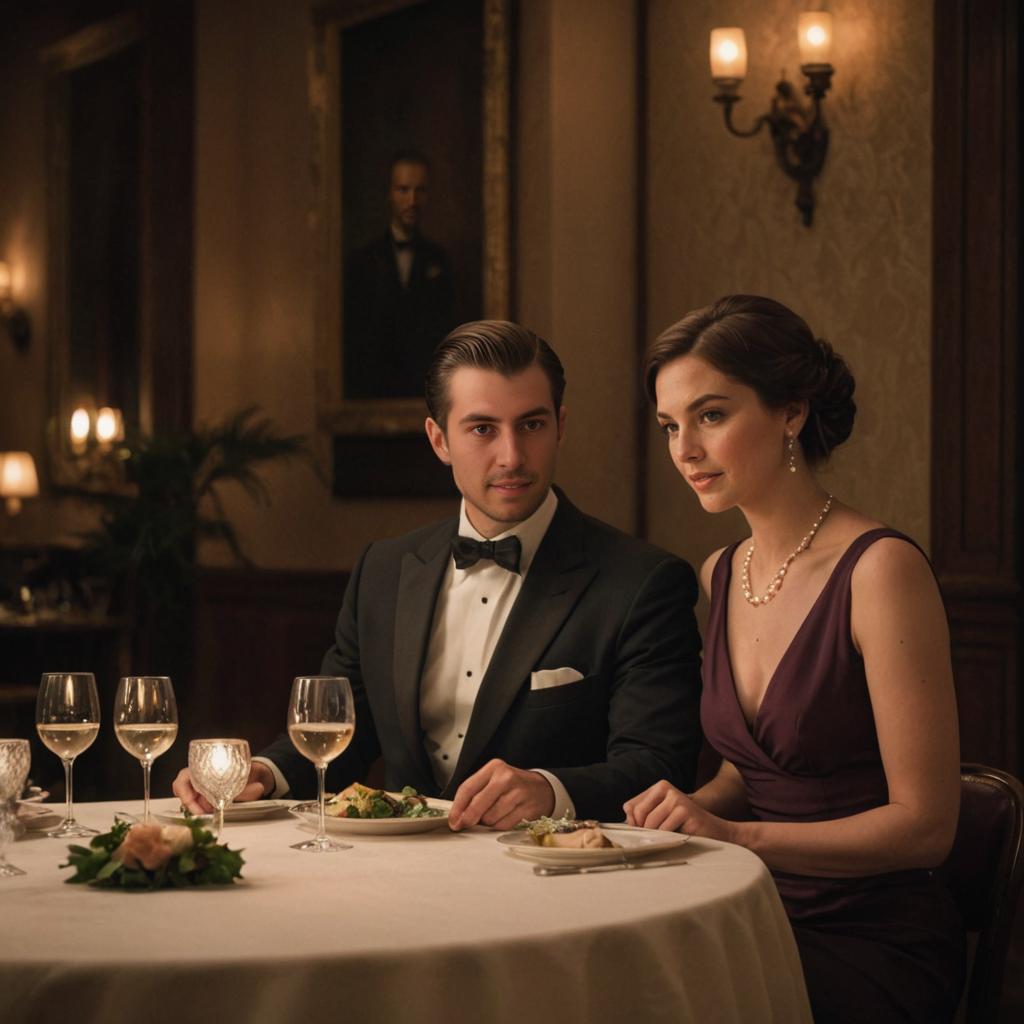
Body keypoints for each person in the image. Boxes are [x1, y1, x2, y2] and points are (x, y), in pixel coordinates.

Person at [174, 320, 702, 829]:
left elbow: (658, 765)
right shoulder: (383, 569)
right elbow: (341, 732)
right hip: (399, 879)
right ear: (439, 440)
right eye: (482, 429)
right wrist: (263, 774)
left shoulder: (642, 583)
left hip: (553, 881)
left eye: (532, 425)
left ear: (561, 426)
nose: (512, 456)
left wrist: (550, 790)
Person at [624, 295, 964, 1023]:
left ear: (791, 413)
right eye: (669, 426)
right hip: (747, 915)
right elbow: (747, 775)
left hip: (869, 941)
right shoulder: (722, 571)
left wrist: (735, 837)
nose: (685, 449)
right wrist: (684, 812)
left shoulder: (881, 571)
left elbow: (927, 825)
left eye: (711, 416)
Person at [343, 150, 456, 399]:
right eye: (403, 190)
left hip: (423, 392)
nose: (412, 200)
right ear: (389, 194)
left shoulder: (440, 261)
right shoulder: (362, 261)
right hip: (372, 394)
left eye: (420, 190)